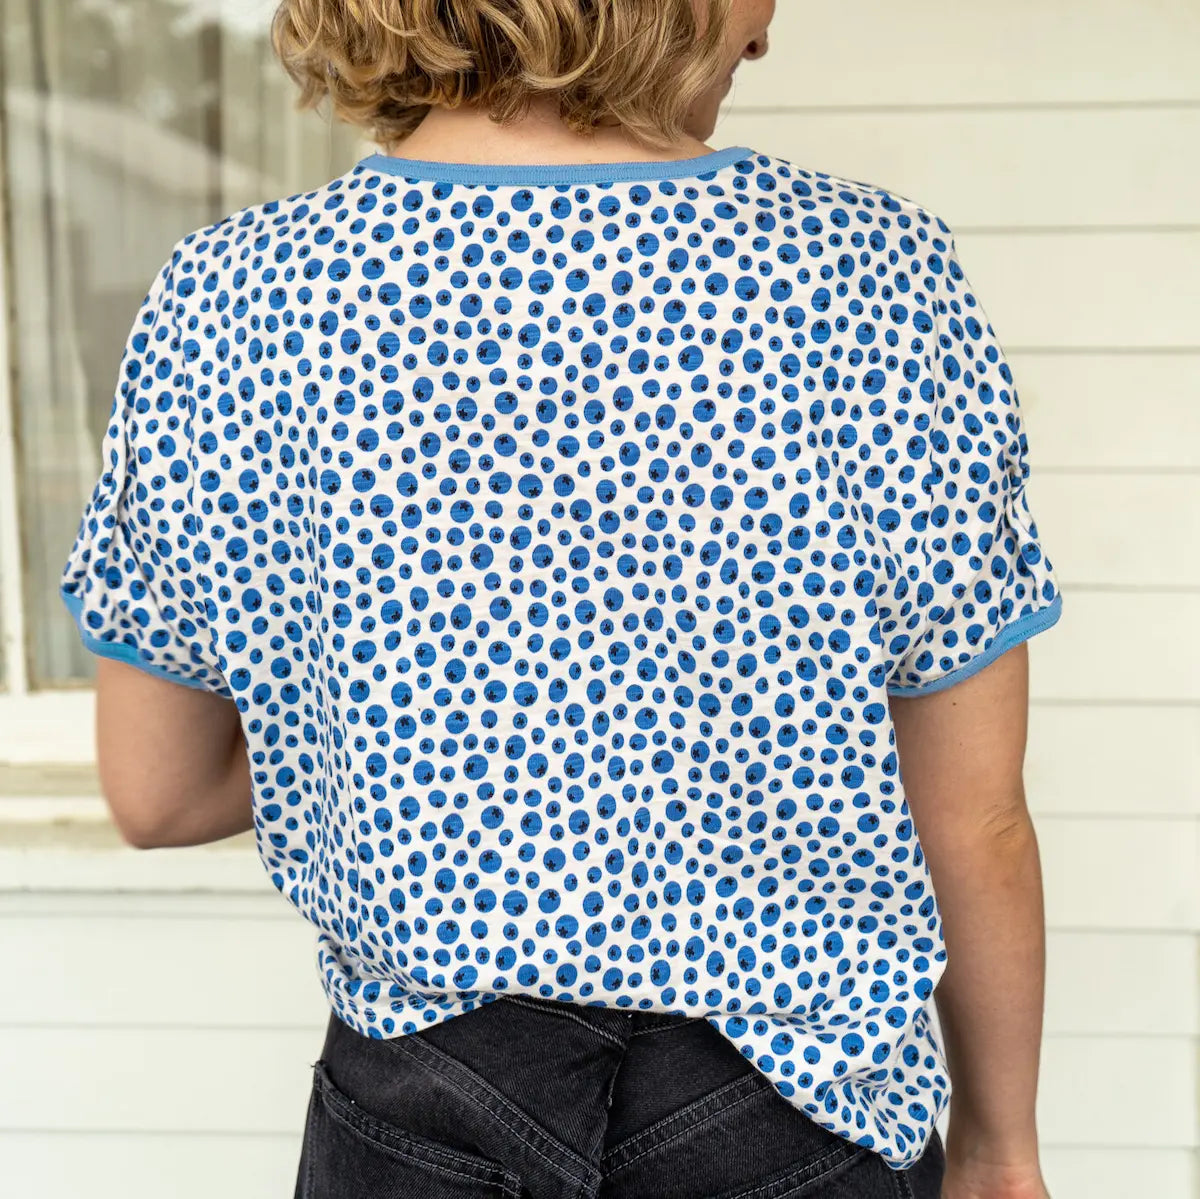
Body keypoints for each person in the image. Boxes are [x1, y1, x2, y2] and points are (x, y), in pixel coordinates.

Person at [59, 2, 1065, 1196]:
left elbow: (158, 791)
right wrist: (1002, 1148)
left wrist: (387, 746)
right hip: (795, 1107)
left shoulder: (232, 298)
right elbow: (976, 817)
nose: (764, 36)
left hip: (420, 1101)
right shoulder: (871, 277)